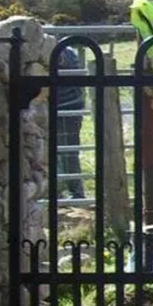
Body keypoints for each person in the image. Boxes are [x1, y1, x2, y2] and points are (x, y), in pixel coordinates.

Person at [54, 47, 86, 200]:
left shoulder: (58, 53)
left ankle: (76, 192)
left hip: (65, 105)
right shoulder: (68, 50)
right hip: (70, 104)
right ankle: (66, 190)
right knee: (65, 150)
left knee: (67, 151)